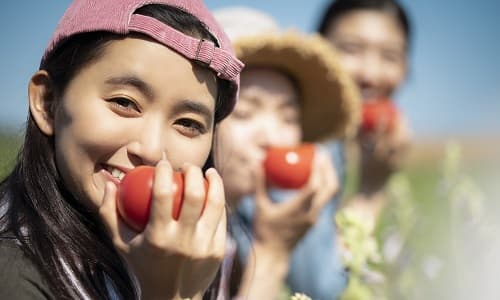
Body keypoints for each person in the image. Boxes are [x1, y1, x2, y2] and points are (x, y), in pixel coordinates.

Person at [0, 0, 244, 299]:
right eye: (124, 103)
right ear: (48, 102)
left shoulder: (199, 263)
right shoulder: (12, 272)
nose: (152, 150)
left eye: (188, 123)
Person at [213, 7, 361, 300]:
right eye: (244, 112)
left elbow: (320, 289)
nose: (272, 138)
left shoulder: (240, 229)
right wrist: (273, 252)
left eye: (289, 117)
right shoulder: (164, 238)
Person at [317, 0, 412, 235]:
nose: (370, 74)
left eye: (389, 56)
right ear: (316, 51)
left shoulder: (343, 147)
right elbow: (318, 272)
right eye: (351, 49)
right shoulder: (303, 146)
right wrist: (371, 190)